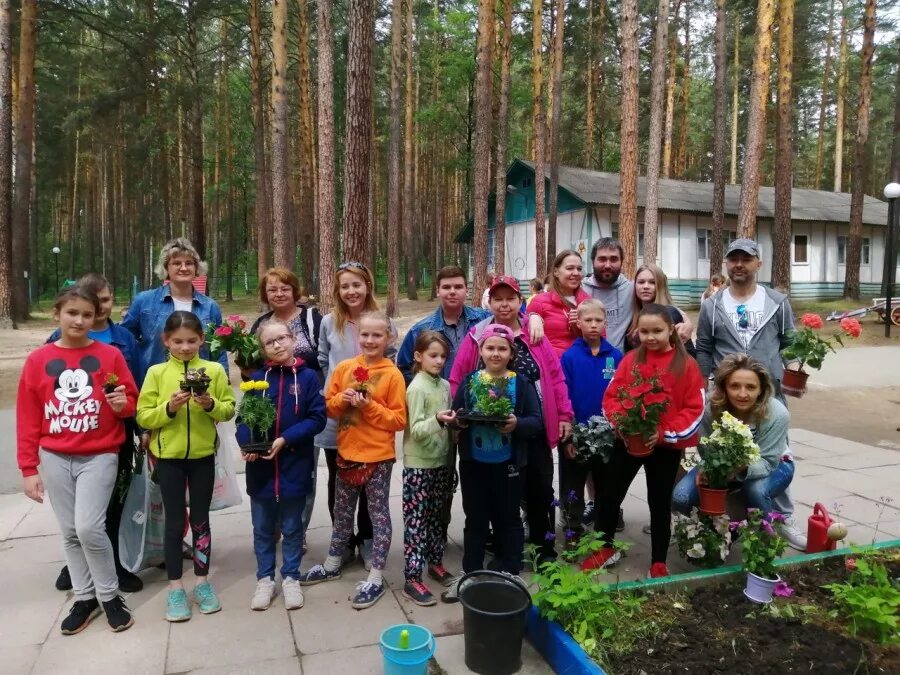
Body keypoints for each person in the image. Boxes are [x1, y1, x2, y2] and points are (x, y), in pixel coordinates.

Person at [17, 287, 139, 634]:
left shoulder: (109, 355)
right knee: (70, 531)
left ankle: (110, 595)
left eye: (87, 314)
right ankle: (85, 598)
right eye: (72, 313)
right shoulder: (39, 360)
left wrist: (121, 406)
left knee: (88, 527)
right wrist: (29, 468)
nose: (80, 320)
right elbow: (27, 416)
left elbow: (130, 400)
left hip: (99, 454)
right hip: (55, 455)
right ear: (57, 313)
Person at [451, 275, 573, 569]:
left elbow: (555, 377)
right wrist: (460, 419)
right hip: (490, 435)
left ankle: (544, 552)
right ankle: (506, 552)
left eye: (510, 298)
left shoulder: (535, 335)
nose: (504, 304)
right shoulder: (477, 336)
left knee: (540, 491)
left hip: (533, 428)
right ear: (489, 303)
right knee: (500, 498)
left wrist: (565, 414)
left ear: (520, 301)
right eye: (498, 299)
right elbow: (459, 379)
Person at [695, 237, 807, 550]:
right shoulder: (712, 306)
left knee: (773, 454)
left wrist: (794, 369)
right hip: (727, 397)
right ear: (726, 265)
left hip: (767, 393)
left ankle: (783, 519)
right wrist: (708, 382)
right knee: (723, 452)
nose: (739, 265)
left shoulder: (776, 301)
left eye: (746, 259)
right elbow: (704, 347)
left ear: (758, 264)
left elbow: (789, 342)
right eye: (734, 259)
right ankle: (727, 520)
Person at [585, 304, 705, 578]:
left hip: (664, 447)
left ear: (671, 330)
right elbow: (612, 397)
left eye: (657, 331)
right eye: (645, 331)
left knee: (660, 503)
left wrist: (663, 432)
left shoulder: (686, 364)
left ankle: (658, 560)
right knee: (609, 495)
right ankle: (604, 548)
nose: (650, 337)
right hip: (627, 442)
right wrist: (623, 427)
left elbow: (694, 408)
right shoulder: (630, 360)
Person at [300, 311, 407, 610]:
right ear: (357, 336)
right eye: (365, 335)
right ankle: (333, 562)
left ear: (388, 338)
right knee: (341, 511)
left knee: (378, 515)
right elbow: (329, 408)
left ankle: (375, 576)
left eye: (377, 335)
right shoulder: (345, 368)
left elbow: (398, 420)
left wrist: (370, 406)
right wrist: (342, 400)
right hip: (347, 454)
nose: (370, 340)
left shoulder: (392, 374)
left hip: (378, 459)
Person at [47, 273, 145, 594]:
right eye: (94, 301)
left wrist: (142, 427)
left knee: (113, 501)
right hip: (73, 434)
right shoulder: (55, 340)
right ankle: (77, 566)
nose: (101, 307)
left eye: (106, 300)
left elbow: (137, 388)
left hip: (116, 432)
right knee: (78, 512)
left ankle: (114, 562)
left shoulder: (124, 340)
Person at [136, 311, 236, 622]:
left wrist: (210, 406)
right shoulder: (156, 373)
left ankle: (202, 584)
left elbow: (229, 409)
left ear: (202, 340)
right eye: (177, 341)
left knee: (201, 522)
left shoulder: (214, 370)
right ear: (166, 341)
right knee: (175, 523)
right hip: (168, 460)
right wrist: (169, 408)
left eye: (191, 340)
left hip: (203, 457)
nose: (184, 347)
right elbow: (143, 416)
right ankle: (176, 588)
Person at [444, 324, 543, 601]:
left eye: (502, 348)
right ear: (481, 350)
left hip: (509, 465)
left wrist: (516, 424)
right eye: (490, 348)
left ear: (511, 353)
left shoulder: (520, 384)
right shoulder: (470, 380)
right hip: (474, 463)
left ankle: (511, 571)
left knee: (509, 518)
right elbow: (458, 413)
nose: (496, 353)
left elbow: (536, 421)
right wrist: (457, 421)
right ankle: (470, 574)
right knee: (475, 519)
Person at [237, 320, 327, 611]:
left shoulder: (309, 378)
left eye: (282, 338)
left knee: (292, 527)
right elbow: (243, 420)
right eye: (270, 342)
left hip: (294, 465)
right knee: (262, 528)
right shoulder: (257, 379)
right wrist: (246, 444)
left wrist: (286, 439)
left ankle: (290, 577)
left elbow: (317, 418)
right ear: (262, 348)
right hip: (261, 469)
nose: (277, 345)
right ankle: (264, 578)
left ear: (293, 339)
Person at [315, 261, 396, 569]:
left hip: (371, 417)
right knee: (340, 479)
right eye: (345, 286)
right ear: (338, 290)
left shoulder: (381, 321)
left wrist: (369, 398)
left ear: (367, 286)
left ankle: (367, 537)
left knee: (371, 484)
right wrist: (339, 390)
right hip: (338, 412)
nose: (351, 291)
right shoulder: (328, 322)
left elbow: (389, 362)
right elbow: (324, 359)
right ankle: (343, 540)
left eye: (356, 284)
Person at [672, 354, 794, 515]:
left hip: (773, 464)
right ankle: (699, 532)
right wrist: (706, 470)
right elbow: (704, 451)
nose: (742, 394)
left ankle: (763, 534)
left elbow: (767, 462)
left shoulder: (777, 414)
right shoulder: (710, 409)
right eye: (735, 386)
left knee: (756, 491)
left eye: (751, 387)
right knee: (681, 496)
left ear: (761, 390)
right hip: (721, 465)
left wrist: (737, 469)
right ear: (724, 388)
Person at [401, 331, 458, 606]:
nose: (438, 361)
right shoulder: (416, 388)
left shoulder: (445, 386)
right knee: (416, 522)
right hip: (418, 466)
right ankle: (412, 577)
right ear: (418, 356)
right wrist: (438, 419)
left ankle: (435, 563)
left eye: (443, 356)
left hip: (441, 462)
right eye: (433, 356)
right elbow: (415, 429)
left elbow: (445, 424)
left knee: (437, 517)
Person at [559, 300, 623, 536]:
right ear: (579, 323)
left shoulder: (615, 356)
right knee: (572, 485)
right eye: (588, 320)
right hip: (577, 435)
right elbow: (563, 397)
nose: (593, 325)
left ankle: (603, 533)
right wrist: (568, 438)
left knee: (606, 486)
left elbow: (622, 394)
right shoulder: (569, 358)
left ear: (605, 323)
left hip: (608, 436)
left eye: (598, 320)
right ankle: (571, 529)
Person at [122, 238, 227, 377]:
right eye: (177, 263)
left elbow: (219, 350)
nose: (183, 268)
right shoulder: (144, 301)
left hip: (200, 386)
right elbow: (124, 339)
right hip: (155, 385)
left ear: (196, 269)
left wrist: (224, 380)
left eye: (189, 263)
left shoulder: (210, 307)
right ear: (166, 268)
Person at [582, 237, 692, 352]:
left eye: (614, 259)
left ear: (621, 262)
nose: (608, 265)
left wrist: (688, 323)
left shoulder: (631, 288)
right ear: (593, 261)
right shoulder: (581, 289)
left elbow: (667, 306)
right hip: (589, 360)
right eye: (602, 259)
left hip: (620, 362)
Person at [398, 266, 491, 385]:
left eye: (458, 287)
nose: (452, 291)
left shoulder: (484, 320)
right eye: (446, 287)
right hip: (439, 401)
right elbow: (404, 369)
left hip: (478, 399)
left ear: (466, 290)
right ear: (438, 291)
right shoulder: (420, 331)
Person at [248, 267, 323, 379]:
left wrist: (287, 362)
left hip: (310, 387)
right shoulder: (261, 325)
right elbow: (252, 367)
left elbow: (325, 356)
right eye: (272, 290)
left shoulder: (312, 318)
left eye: (285, 289)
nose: (279, 294)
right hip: (272, 390)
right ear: (265, 294)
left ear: (294, 291)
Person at [527, 249, 592, 356]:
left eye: (579, 269)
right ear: (556, 272)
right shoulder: (539, 301)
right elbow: (527, 339)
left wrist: (582, 327)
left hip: (579, 367)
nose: (576, 273)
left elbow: (600, 340)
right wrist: (532, 316)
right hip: (551, 367)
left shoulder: (589, 302)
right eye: (569, 268)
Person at [626, 263, 696, 357]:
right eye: (641, 282)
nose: (646, 286)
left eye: (652, 282)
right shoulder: (632, 315)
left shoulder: (670, 314)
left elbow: (689, 354)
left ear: (660, 286)